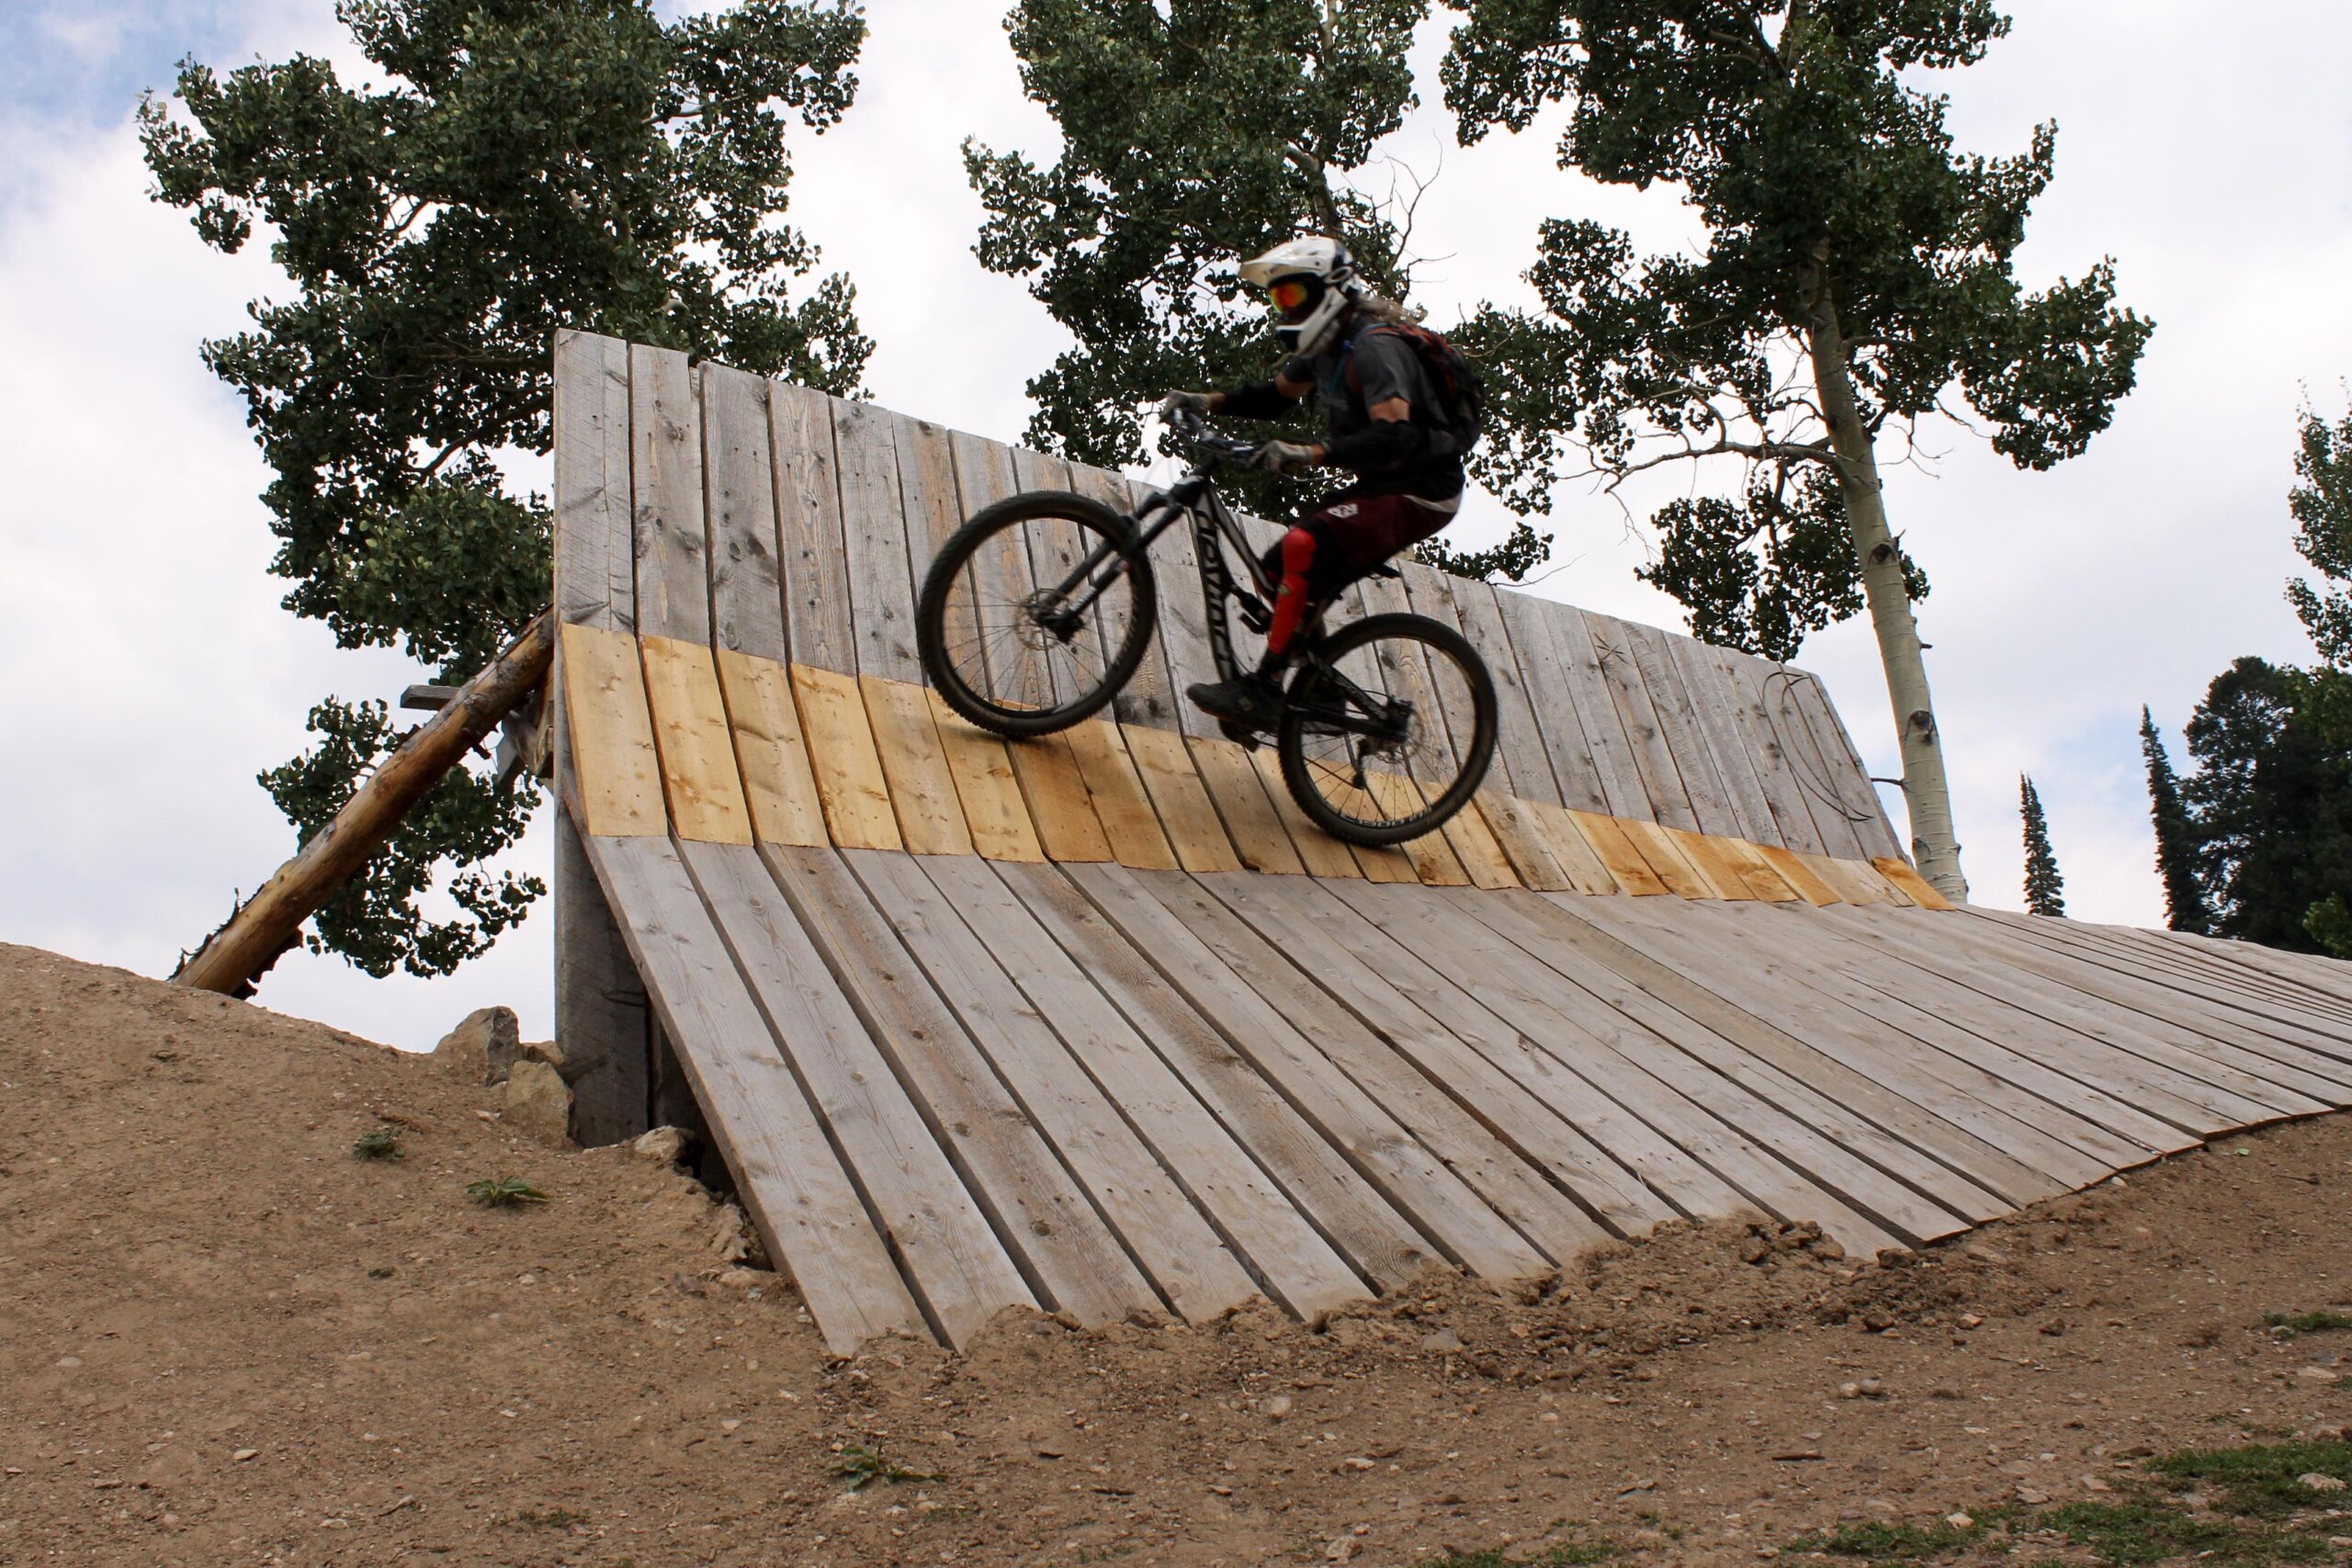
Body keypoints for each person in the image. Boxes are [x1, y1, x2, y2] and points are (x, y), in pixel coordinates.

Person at [1161, 236, 1468, 732]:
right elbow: (1274, 397)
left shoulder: (1374, 348)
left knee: (1305, 545)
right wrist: (1204, 400)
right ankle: (1322, 693)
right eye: (1278, 298)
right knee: (1277, 569)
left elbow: (1395, 434)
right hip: (1383, 483)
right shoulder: (1327, 347)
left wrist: (1311, 453)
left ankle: (1261, 691)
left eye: (1294, 294)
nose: (1286, 307)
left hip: (1423, 490)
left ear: (1329, 289)